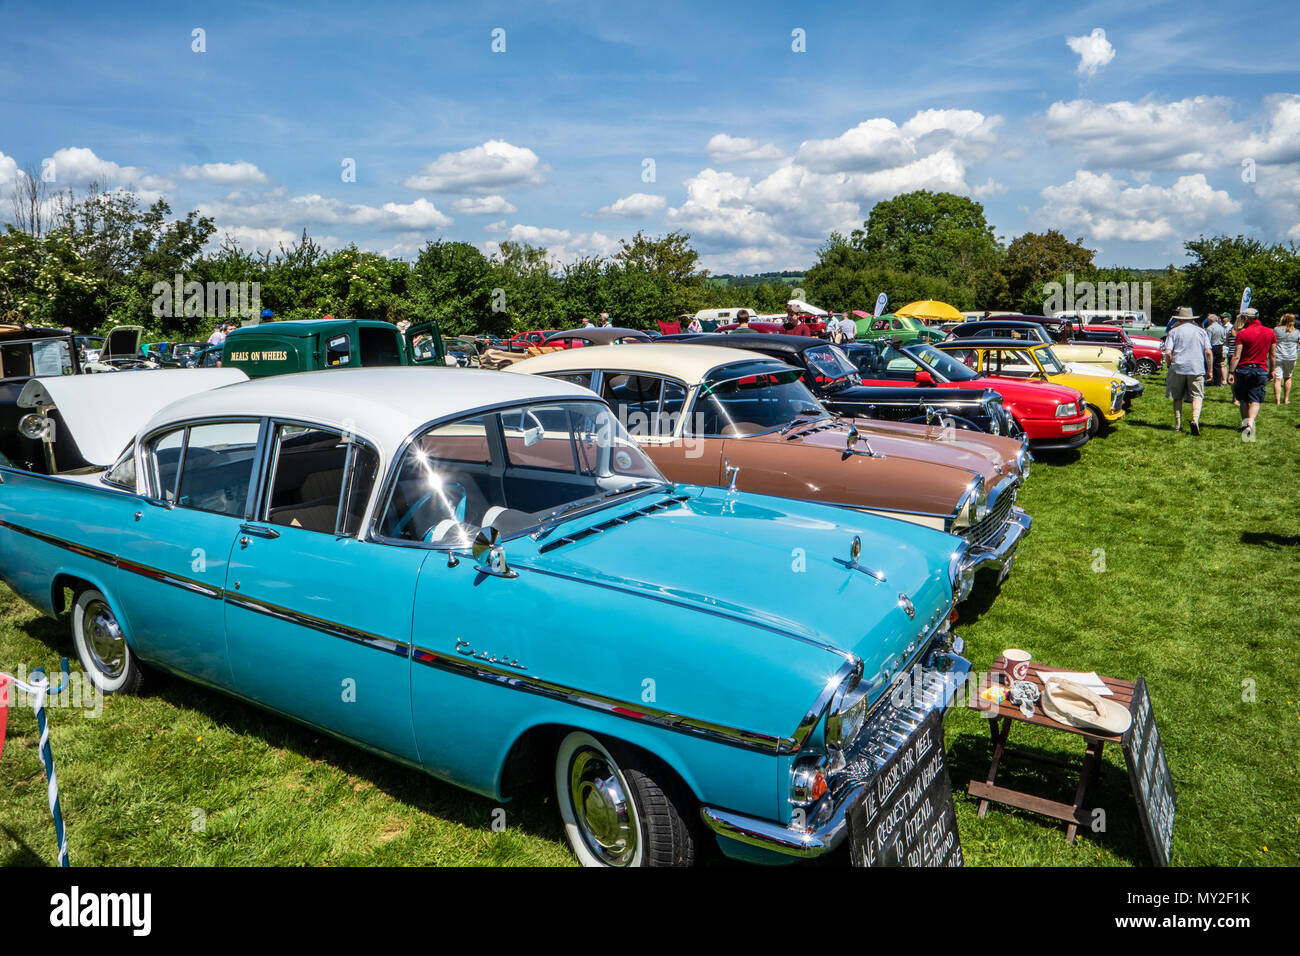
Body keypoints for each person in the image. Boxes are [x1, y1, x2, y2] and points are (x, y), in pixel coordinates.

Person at [1161, 307, 1212, 435]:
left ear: (1179, 318)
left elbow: (1167, 353)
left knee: (1177, 397)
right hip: (1196, 367)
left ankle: (1178, 425)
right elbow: (1208, 352)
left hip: (1177, 368)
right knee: (1197, 396)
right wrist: (1210, 370)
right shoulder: (1201, 332)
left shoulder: (1173, 332)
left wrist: (1169, 364)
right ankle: (1195, 419)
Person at [1228, 308, 1276, 440]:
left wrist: (1231, 372)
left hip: (1243, 369)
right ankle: (1250, 424)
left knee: (1243, 399)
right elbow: (1272, 355)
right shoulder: (1270, 332)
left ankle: (1245, 425)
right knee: (1256, 399)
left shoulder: (1242, 334)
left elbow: (1236, 356)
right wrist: (1272, 370)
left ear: (1247, 319)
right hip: (1260, 369)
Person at [1271, 312, 1297, 405]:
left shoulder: (1276, 330)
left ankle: (1277, 401)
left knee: (1277, 379)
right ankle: (1286, 400)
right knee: (1287, 378)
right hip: (1291, 357)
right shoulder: (1297, 332)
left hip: (1278, 356)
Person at [1203, 313, 1226, 386]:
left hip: (1212, 347)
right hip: (1220, 346)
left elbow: (1208, 340)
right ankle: (1218, 382)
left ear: (1210, 320)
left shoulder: (1210, 328)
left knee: (1209, 364)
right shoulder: (1222, 327)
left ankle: (1209, 380)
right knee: (1218, 365)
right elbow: (1224, 338)